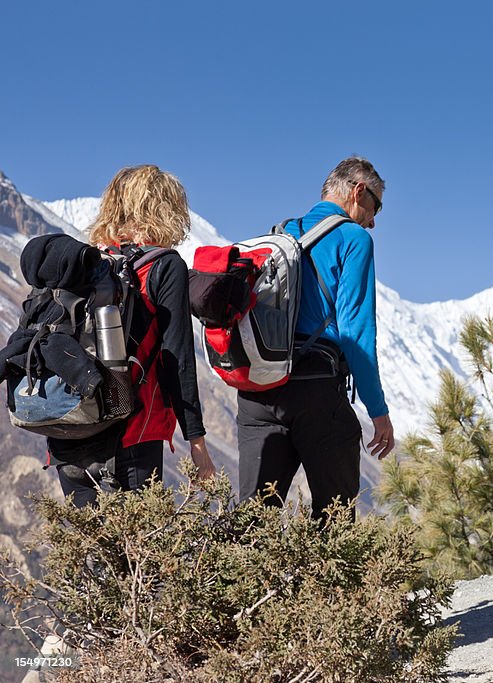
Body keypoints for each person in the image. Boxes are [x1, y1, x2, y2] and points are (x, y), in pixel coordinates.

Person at [236, 156, 394, 519]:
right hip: (317, 390)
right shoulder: (353, 239)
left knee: (251, 523)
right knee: (334, 522)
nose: (372, 221)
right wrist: (378, 412)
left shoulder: (279, 233)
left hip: (258, 391)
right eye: (376, 206)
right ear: (357, 192)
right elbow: (356, 332)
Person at [50, 165, 214, 505]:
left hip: (67, 433)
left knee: (92, 553)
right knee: (134, 554)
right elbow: (176, 358)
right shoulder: (164, 266)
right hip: (132, 434)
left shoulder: (87, 264)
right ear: (167, 209)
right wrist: (197, 443)